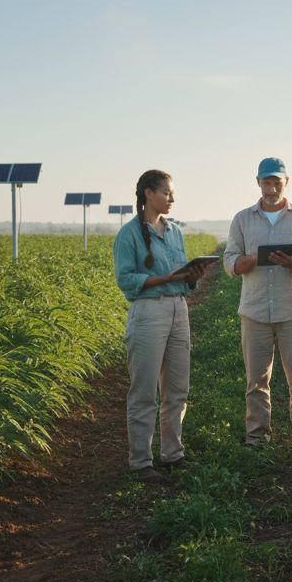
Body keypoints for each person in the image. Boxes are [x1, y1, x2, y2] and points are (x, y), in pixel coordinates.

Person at [223, 157, 292, 465]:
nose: (272, 188)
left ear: (286, 182)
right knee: (256, 380)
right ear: (257, 182)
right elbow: (230, 263)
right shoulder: (242, 219)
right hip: (254, 311)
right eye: (267, 182)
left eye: (277, 182)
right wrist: (254, 258)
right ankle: (257, 439)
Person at [113, 169, 210, 484]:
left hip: (178, 309)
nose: (172, 198)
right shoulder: (129, 234)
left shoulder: (174, 231)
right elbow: (126, 280)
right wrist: (164, 279)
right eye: (166, 192)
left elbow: (182, 276)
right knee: (144, 391)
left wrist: (192, 277)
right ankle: (140, 461)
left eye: (172, 193)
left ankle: (172, 454)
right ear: (148, 194)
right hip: (148, 311)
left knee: (177, 389)